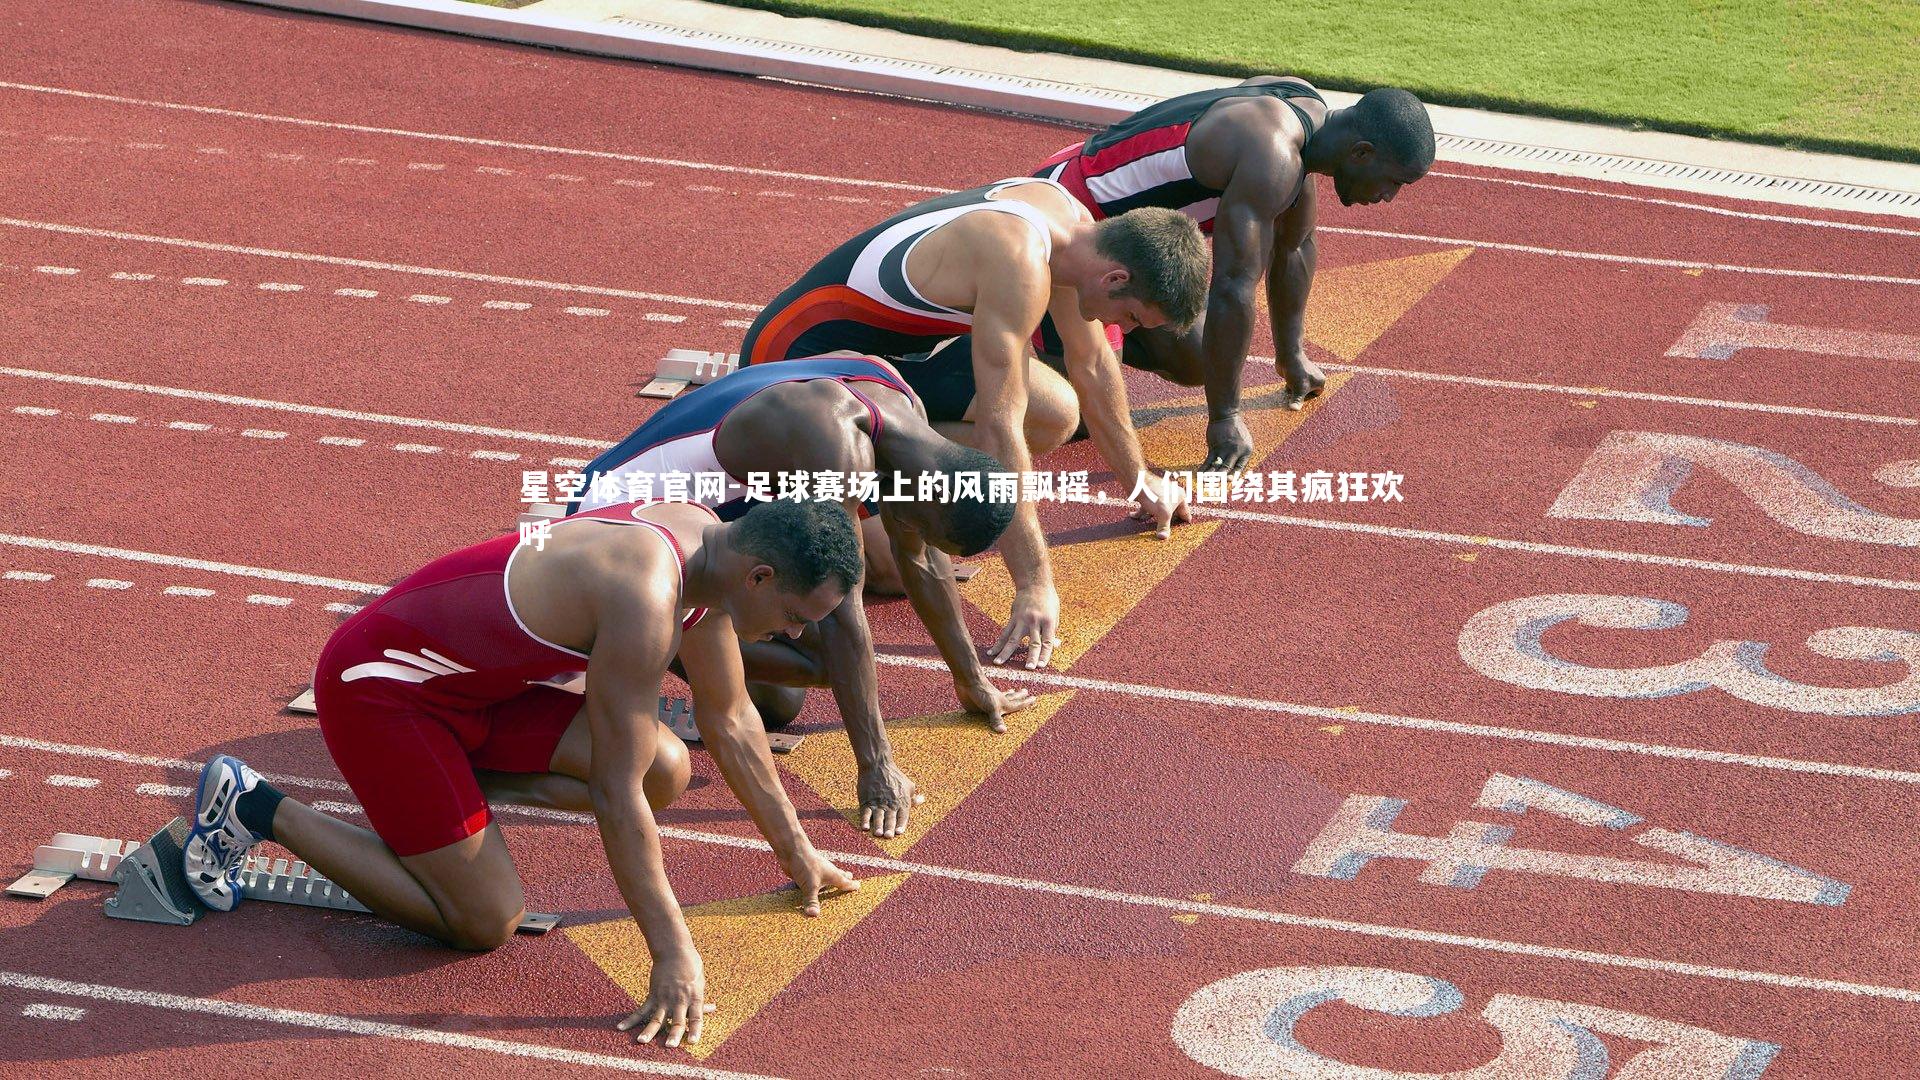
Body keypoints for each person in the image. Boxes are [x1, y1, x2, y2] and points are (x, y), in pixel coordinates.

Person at [182, 498, 864, 1049]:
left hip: (474, 694)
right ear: (761, 577)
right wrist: (672, 952)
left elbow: (734, 718)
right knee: (485, 919)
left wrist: (797, 853)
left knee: (667, 767)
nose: (797, 636)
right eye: (798, 618)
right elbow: (613, 793)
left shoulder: (710, 550)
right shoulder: (646, 596)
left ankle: (435, 808)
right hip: (381, 690)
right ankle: (255, 806)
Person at [739, 176, 1210, 666]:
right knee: (890, 569)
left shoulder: (1077, 232)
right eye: (1131, 318)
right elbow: (998, 427)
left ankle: (882, 451)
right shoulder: (1019, 261)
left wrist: (1138, 480)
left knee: (1055, 414)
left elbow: (1091, 364)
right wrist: (1033, 584)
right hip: (794, 358)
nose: (1124, 330)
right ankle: (857, 454)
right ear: (1115, 279)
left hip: (888, 356)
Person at [572, 352, 1034, 838]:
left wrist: (972, 680)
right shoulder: (835, 450)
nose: (916, 537)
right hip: (611, 527)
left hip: (695, 518)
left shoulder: (905, 416)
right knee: (818, 663)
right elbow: (841, 611)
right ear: (930, 498)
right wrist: (876, 766)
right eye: (925, 527)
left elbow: (919, 558)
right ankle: (641, 642)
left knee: (784, 697)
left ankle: (679, 645)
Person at [1034, 82, 1436, 471]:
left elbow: (1294, 244)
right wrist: (1224, 417)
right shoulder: (1271, 155)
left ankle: (1080, 337)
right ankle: (1015, 328)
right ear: (1362, 152)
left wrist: (1291, 355)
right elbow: (1232, 287)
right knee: (1079, 414)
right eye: (1394, 182)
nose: (1388, 196)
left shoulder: (1306, 118)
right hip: (1070, 222)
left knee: (1197, 356)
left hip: (1115, 237)